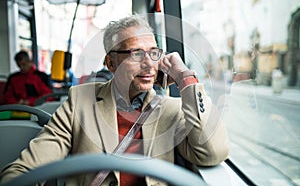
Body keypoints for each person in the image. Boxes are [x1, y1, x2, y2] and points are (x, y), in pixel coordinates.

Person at [0, 15, 229, 185]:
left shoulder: (171, 108)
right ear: (111, 64)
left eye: (153, 53)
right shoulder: (80, 101)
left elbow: (213, 153)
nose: (149, 64)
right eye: (136, 54)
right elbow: (28, 168)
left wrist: (185, 78)